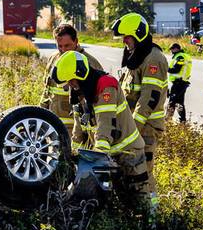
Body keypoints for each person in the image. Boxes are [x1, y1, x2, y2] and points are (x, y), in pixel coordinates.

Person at [51, 50, 150, 197]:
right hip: (108, 154)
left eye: (71, 80)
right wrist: (73, 155)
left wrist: (97, 157)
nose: (70, 85)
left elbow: (106, 124)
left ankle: (153, 220)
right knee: (115, 202)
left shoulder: (105, 85)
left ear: (81, 73)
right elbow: (79, 128)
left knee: (140, 197)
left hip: (129, 153)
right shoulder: (80, 91)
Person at [110, 12, 169, 193]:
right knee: (129, 172)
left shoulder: (153, 59)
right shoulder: (137, 56)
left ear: (138, 34)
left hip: (146, 128)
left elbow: (149, 98)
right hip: (133, 128)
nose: (124, 42)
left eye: (127, 37)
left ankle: (150, 214)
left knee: (144, 173)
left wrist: (133, 128)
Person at [40, 23, 103, 146]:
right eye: (60, 46)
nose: (63, 50)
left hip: (78, 131)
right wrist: (41, 115)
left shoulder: (89, 63)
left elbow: (98, 104)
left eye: (67, 46)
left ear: (76, 42)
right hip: (53, 127)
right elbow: (47, 91)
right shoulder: (54, 59)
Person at [165, 42, 193, 123]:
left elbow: (176, 69)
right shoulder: (185, 56)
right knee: (180, 103)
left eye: (172, 49)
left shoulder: (180, 57)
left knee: (172, 102)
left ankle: (167, 120)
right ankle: (183, 121)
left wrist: (165, 68)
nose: (171, 51)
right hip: (182, 82)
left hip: (178, 83)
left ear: (177, 49)